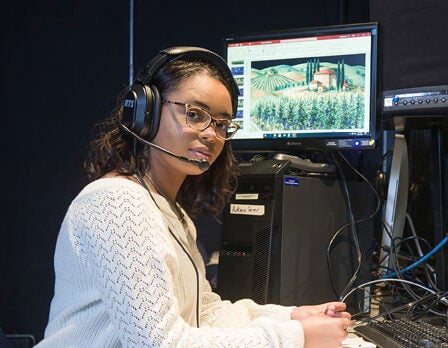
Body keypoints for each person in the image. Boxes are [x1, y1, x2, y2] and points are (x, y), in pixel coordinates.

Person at [36, 46, 352, 347]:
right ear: (147, 112)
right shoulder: (117, 201)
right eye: (195, 114)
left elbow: (204, 314)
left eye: (222, 124)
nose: (211, 134)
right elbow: (160, 344)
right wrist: (296, 338)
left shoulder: (170, 212)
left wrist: (291, 316)